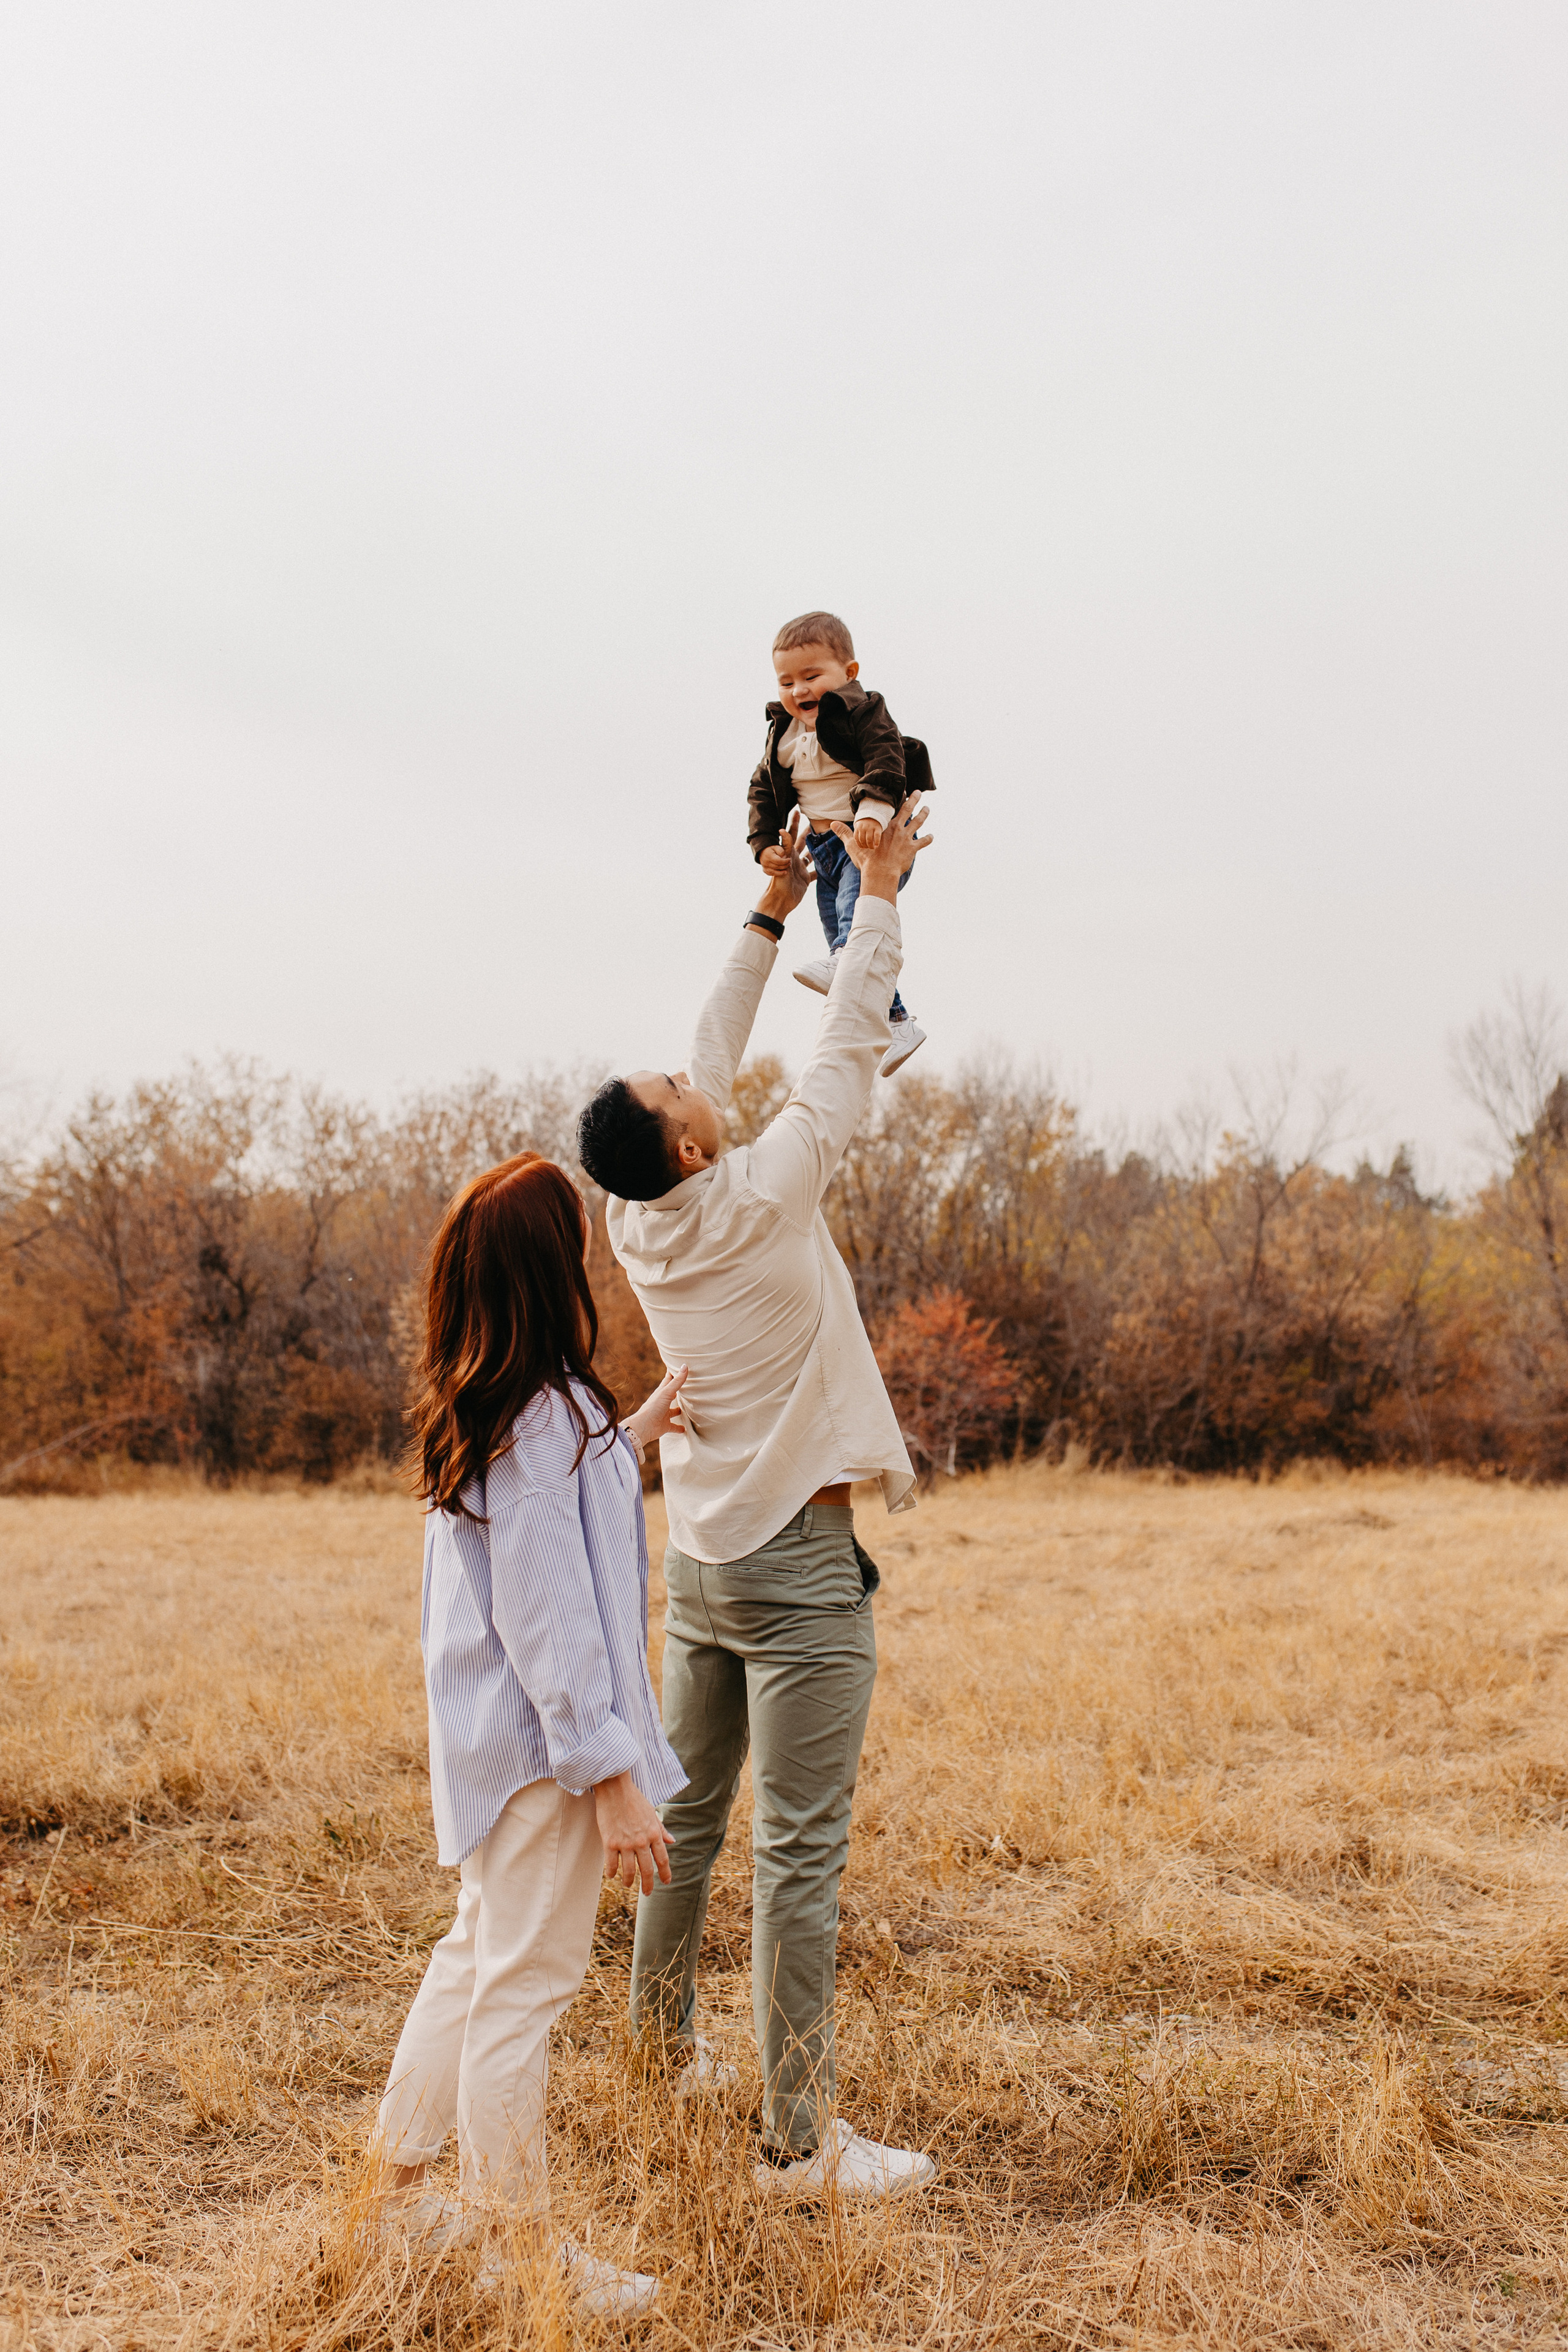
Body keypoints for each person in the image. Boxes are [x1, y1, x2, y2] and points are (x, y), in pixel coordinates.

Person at [575, 800, 938, 2200]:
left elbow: (711, 1056)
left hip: (705, 1559)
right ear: (686, 1145)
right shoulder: (768, 1190)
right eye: (677, 1095)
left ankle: (653, 2052)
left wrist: (769, 908)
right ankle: (798, 2139)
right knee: (796, 1855)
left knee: (682, 1820)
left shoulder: (636, 1214)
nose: (692, 1077)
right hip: (792, 1567)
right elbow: (847, 1051)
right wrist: (879, 892)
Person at [372, 1151, 691, 2320]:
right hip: (544, 1757)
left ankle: (398, 2194)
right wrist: (609, 1774)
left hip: (490, 1748)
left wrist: (637, 1429)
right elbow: (552, 1616)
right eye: (578, 1231)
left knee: (476, 1959)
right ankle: (520, 2256)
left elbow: (556, 1521)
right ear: (552, 1263)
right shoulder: (545, 1417)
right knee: (527, 1988)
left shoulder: (503, 1403)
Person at [745, 609, 936, 1077]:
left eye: (812, 676)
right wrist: (764, 840)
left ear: (848, 674)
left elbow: (886, 755)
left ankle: (848, 967)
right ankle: (897, 1022)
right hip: (825, 849)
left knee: (854, 925)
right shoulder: (782, 735)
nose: (799, 691)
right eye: (786, 682)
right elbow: (761, 788)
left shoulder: (861, 710)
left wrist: (873, 809)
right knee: (838, 928)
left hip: (867, 838)